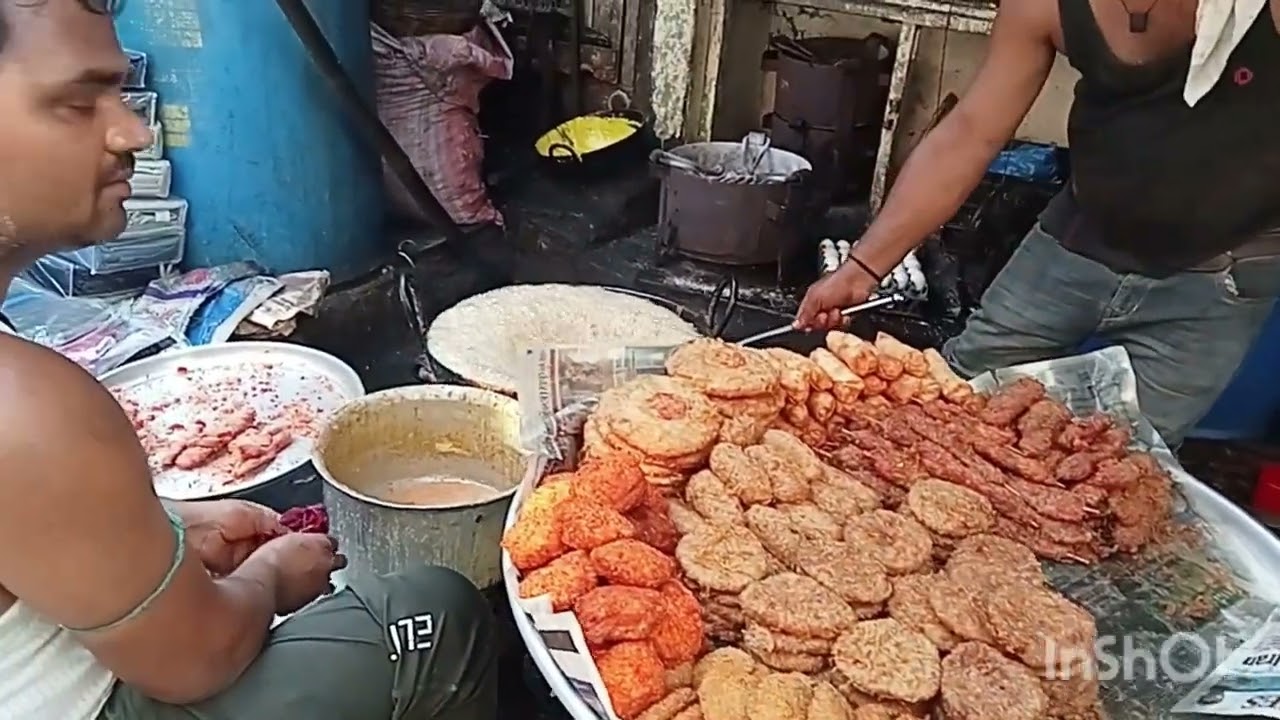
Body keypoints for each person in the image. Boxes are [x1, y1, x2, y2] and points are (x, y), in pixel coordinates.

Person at [0, 2, 497, 719]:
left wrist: (170, 523)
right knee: (436, 610)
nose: (134, 130)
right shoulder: (28, 407)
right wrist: (266, 580)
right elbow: (196, 661)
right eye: (80, 101)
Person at [796, 0, 1280, 446]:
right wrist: (861, 268)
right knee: (951, 409)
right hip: (1074, 244)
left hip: (1220, 275)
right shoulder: (1043, 4)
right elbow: (971, 133)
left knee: (1129, 470)